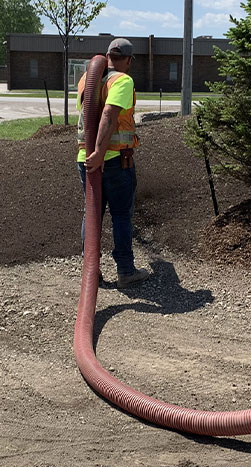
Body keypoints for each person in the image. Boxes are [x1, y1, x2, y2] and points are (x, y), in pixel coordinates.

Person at [77, 38, 150, 288]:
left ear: (108, 56)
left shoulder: (86, 79)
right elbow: (109, 114)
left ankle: (91, 271)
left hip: (84, 160)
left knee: (92, 213)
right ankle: (126, 272)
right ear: (128, 60)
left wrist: (92, 154)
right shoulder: (123, 80)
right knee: (120, 215)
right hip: (115, 160)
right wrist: (99, 151)